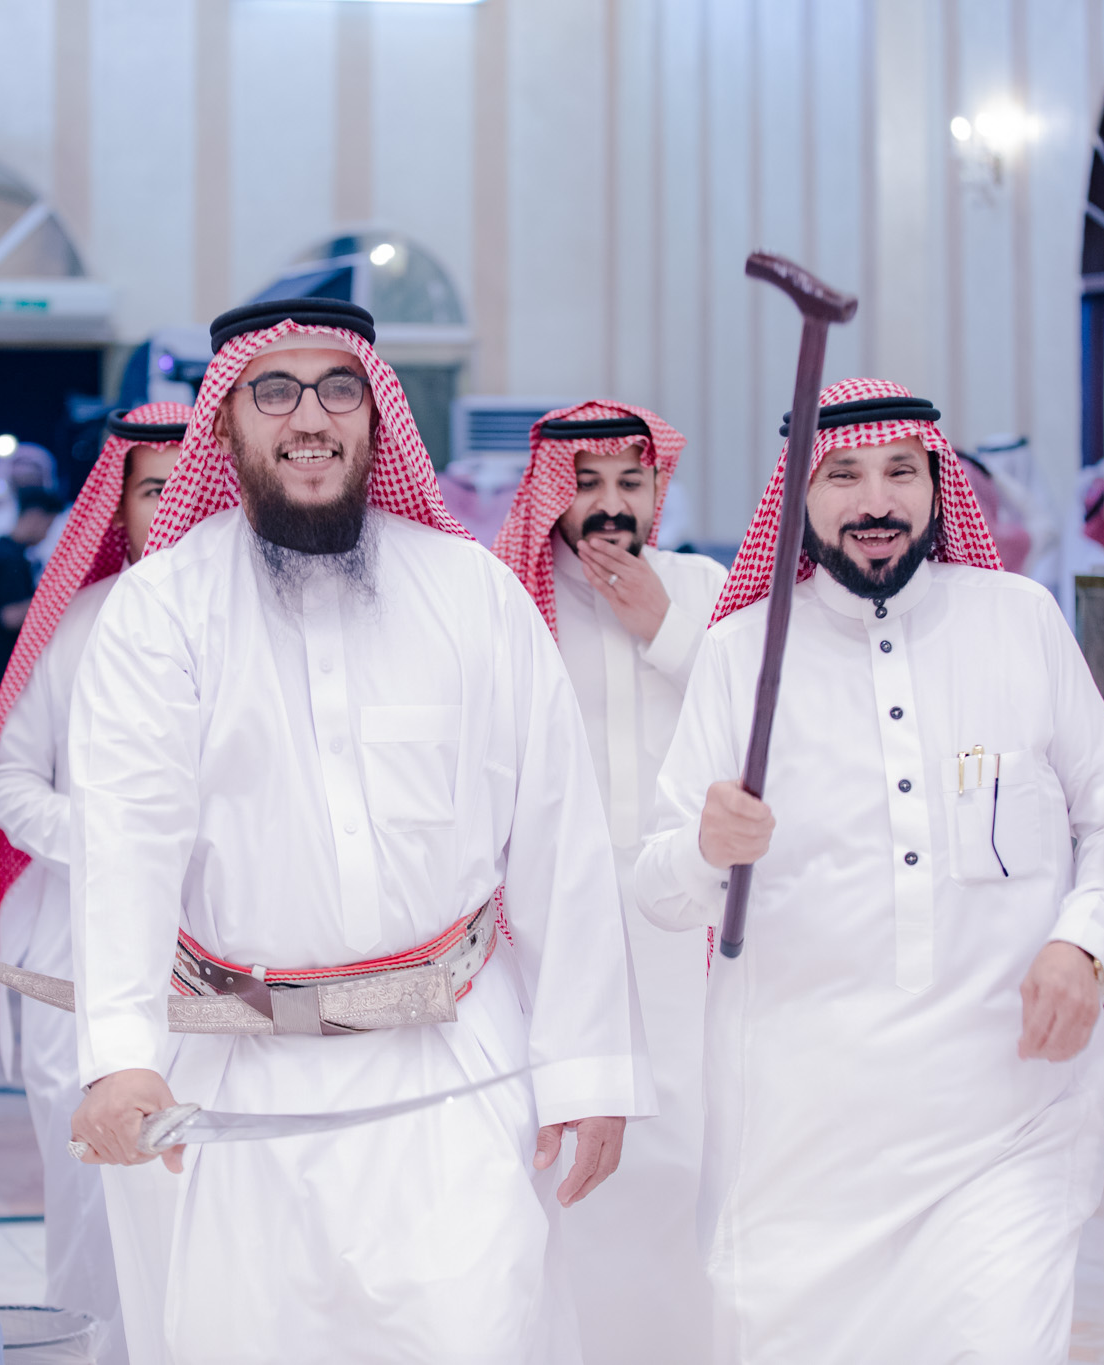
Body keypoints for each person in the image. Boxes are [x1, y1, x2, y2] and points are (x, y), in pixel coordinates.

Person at [63, 298, 645, 1365]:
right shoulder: (160, 611)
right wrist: (118, 1055)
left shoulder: (471, 594)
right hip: (236, 1079)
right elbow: (126, 847)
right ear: (226, 420)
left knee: (473, 1332)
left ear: (377, 416)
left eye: (339, 389)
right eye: (273, 391)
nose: (309, 418)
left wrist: (588, 1065)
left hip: (453, 1070)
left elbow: (558, 842)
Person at [634, 378, 1104, 1363]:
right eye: (843, 476)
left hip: (1009, 1127)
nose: (876, 501)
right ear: (798, 496)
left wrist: (1082, 943)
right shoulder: (742, 655)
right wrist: (704, 846)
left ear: (936, 485)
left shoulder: (1020, 621)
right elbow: (658, 888)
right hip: (801, 1161)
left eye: (900, 472)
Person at [490, 400, 727, 1364]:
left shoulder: (703, 587)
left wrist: (663, 627)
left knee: (690, 1156)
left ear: (659, 489)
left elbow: (769, 719)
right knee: (563, 1162)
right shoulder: (509, 600)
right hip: (554, 928)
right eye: (586, 483)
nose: (610, 504)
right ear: (551, 492)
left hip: (687, 929)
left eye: (631, 482)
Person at [0, 402, 192, 1363]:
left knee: (207, 1196)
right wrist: (104, 846)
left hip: (226, 960)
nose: (175, 508)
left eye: (194, 489)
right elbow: (6, 777)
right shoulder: (78, 624)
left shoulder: (264, 625)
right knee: (97, 1191)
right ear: (118, 507)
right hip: (80, 953)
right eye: (154, 491)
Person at [0, 485, 65, 714]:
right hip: (5, 670)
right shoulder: (10, 558)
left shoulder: (0, 549)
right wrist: (57, 596)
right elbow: (11, 616)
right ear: (35, 516)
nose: (47, 534)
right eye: (48, 525)